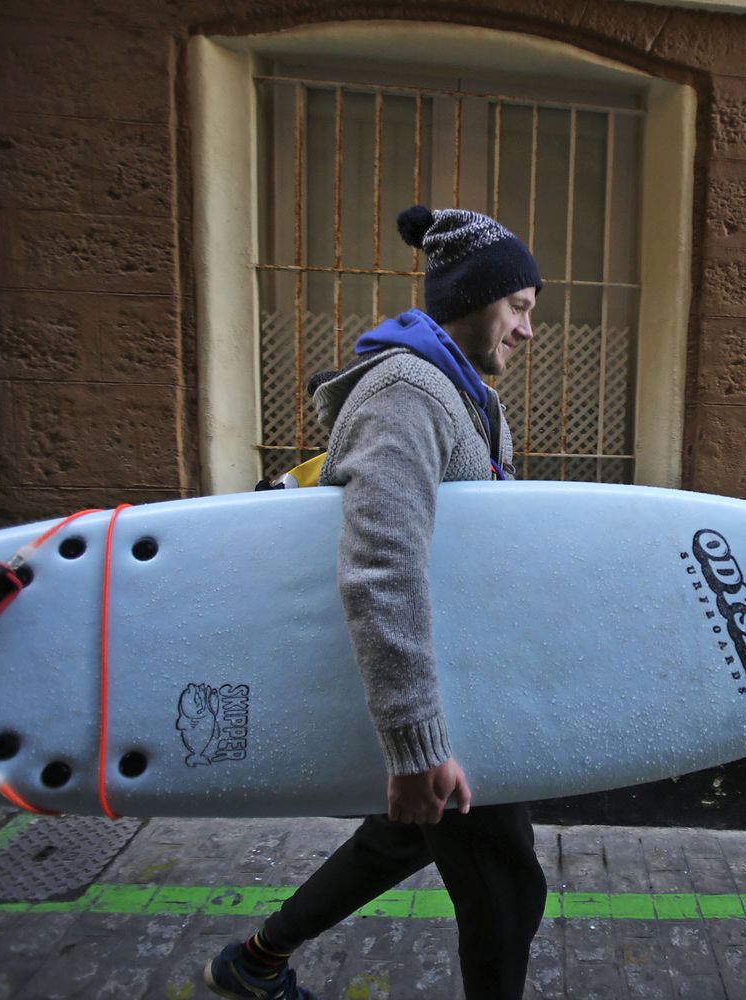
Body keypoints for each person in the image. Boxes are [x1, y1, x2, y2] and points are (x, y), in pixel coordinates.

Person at [204, 205, 547, 1000]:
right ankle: (253, 964)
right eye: (521, 307)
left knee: (407, 839)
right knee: (505, 891)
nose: (530, 330)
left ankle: (255, 962)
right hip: (434, 698)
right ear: (475, 297)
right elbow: (381, 566)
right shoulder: (408, 393)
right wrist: (416, 744)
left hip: (464, 684)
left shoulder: (465, 397)